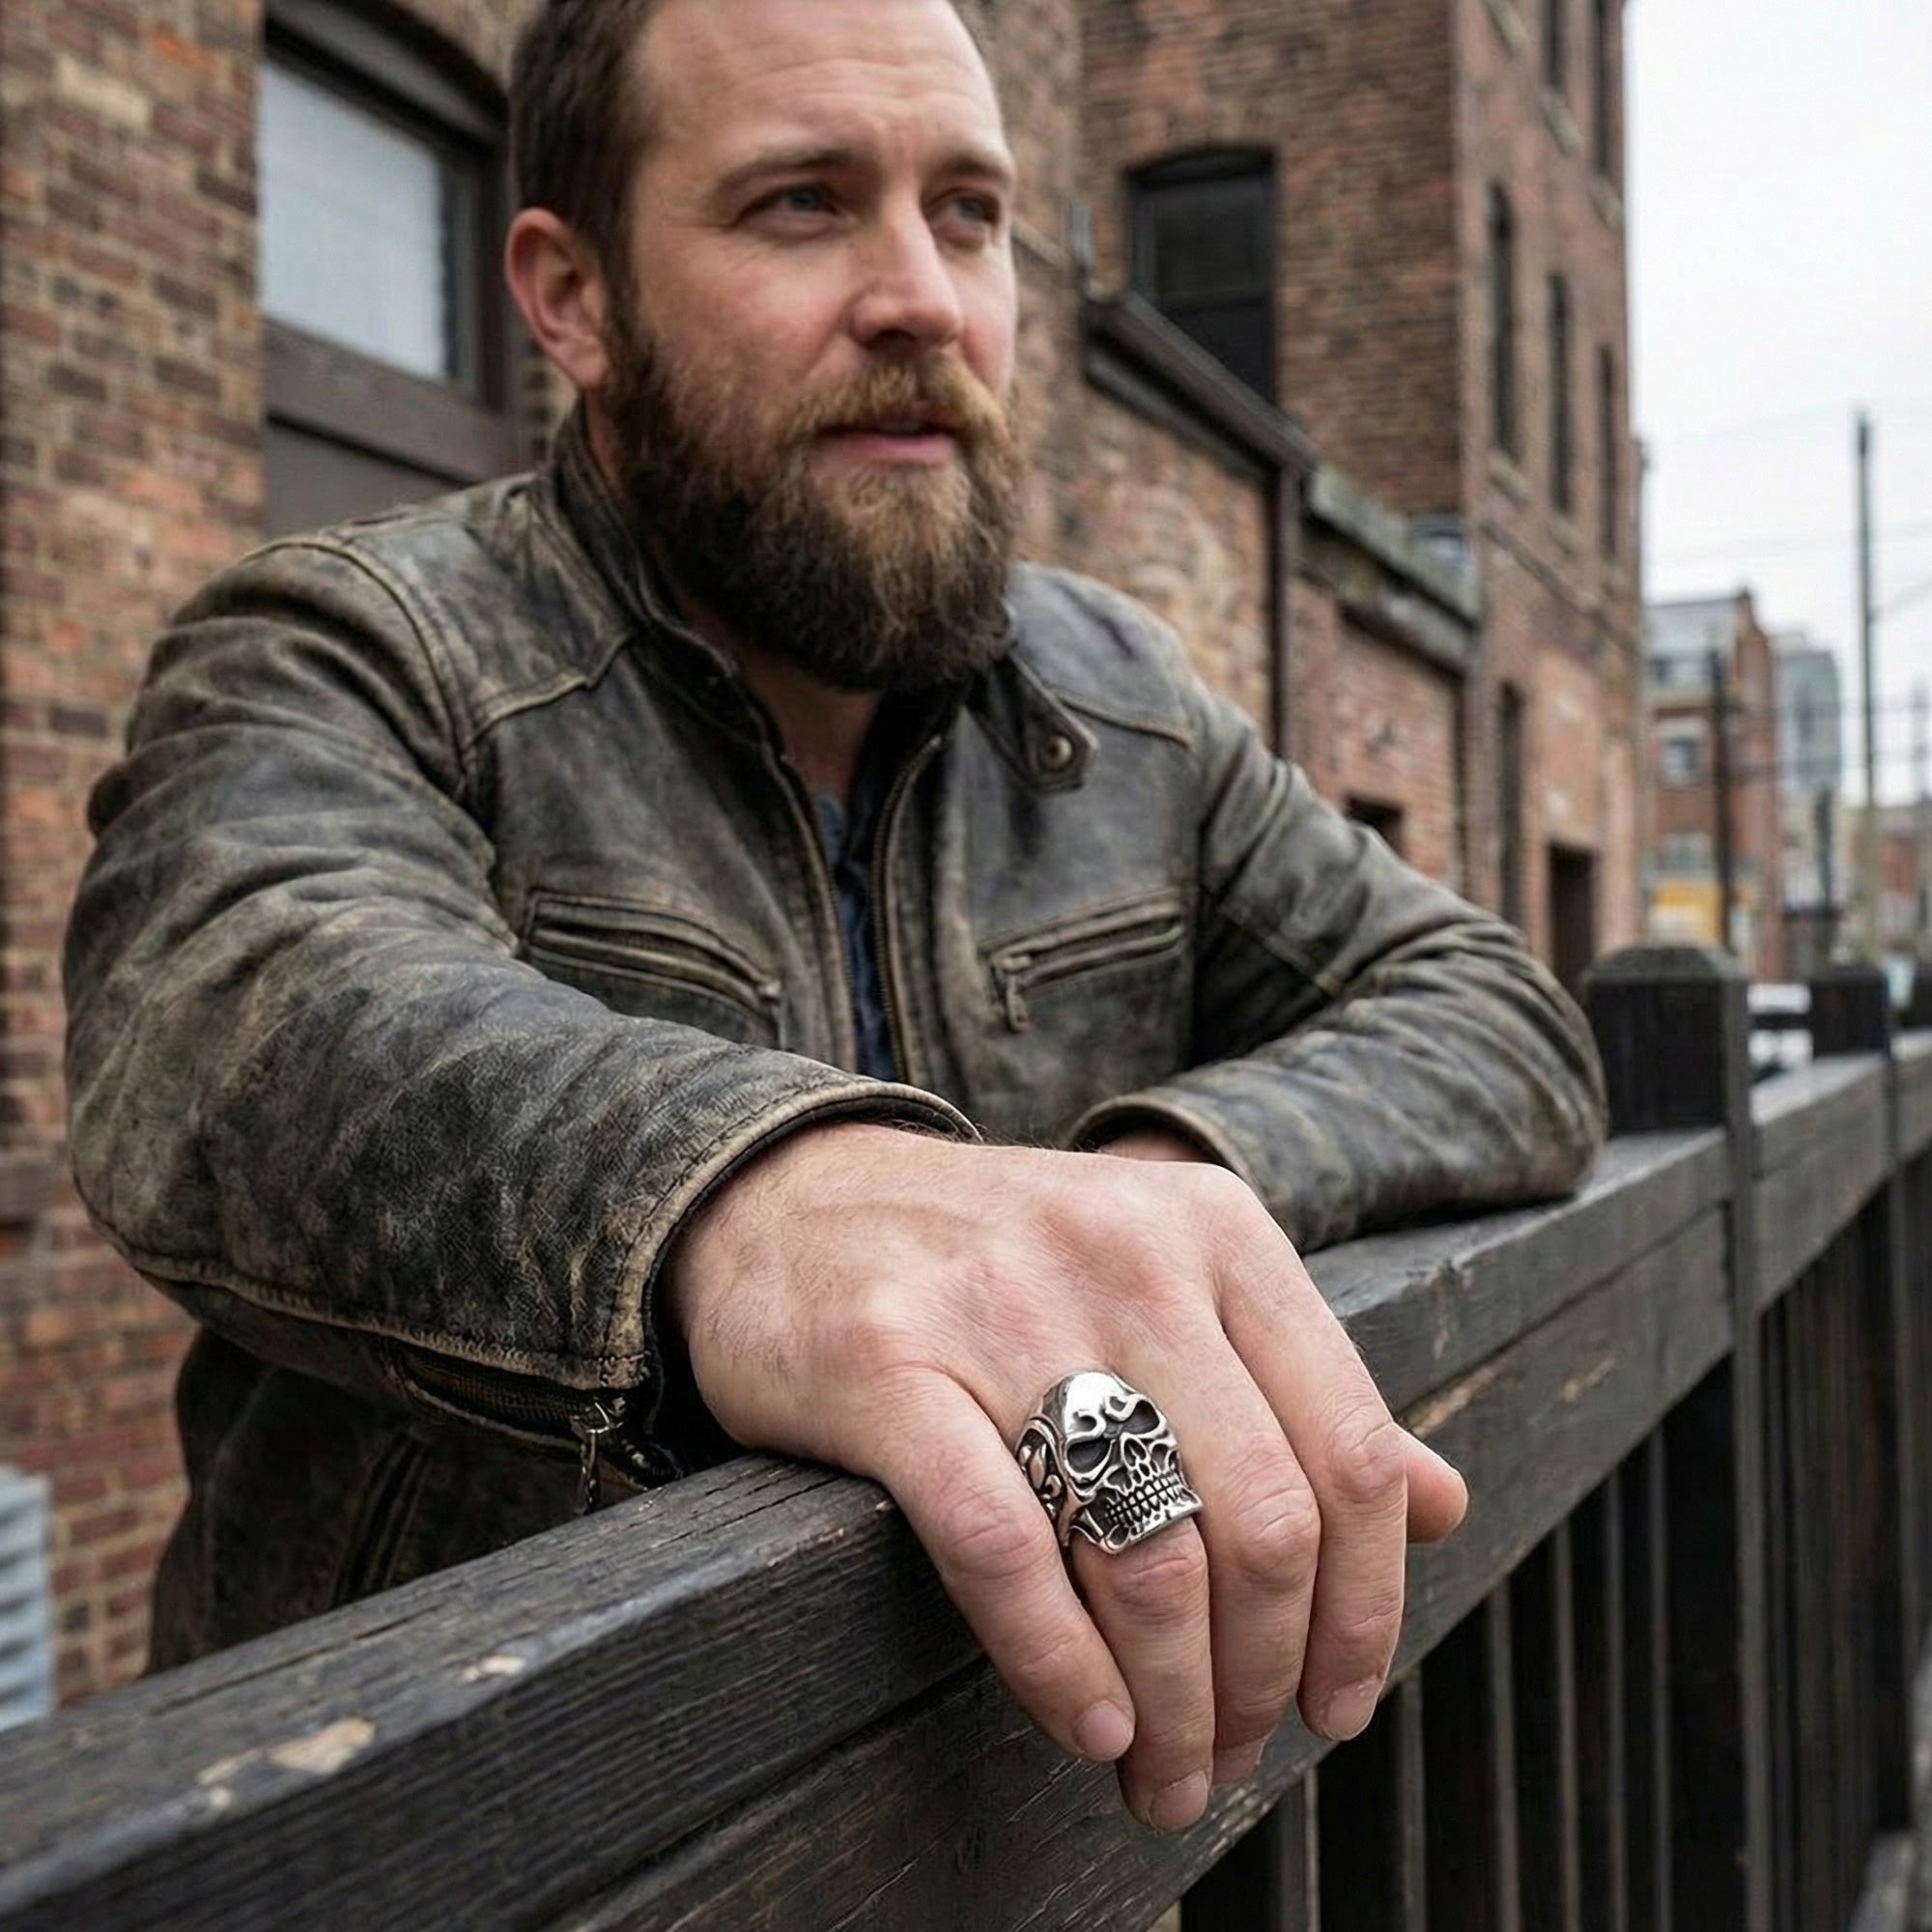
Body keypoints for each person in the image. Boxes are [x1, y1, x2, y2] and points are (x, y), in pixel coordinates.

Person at [64, 0, 1605, 1834]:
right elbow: (236, 1003)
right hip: (489, 1851)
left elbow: (1492, 1012)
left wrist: (1134, 1184)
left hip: (1038, 1841)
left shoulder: (1121, 700)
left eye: (969, 214)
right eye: (802, 203)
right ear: (570, 296)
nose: (924, 298)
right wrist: (754, 1203)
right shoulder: (352, 647)